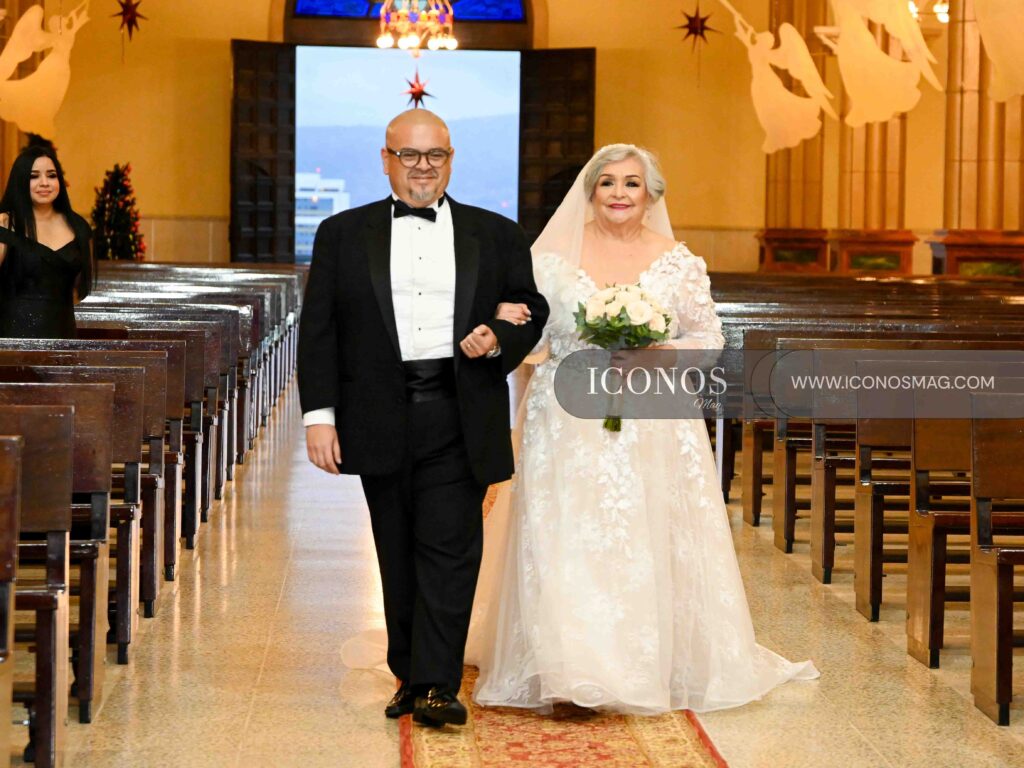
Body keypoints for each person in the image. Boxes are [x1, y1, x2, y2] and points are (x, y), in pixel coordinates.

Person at [469, 143, 819, 713]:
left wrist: (658, 351)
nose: (619, 194)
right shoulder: (550, 260)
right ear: (591, 191)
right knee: (565, 535)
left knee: (640, 534)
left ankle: (639, 660)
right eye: (607, 183)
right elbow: (532, 339)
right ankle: (567, 668)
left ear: (651, 194)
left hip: (652, 420)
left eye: (631, 183)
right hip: (564, 417)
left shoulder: (676, 260)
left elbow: (708, 341)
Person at [297, 109, 549, 727]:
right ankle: (409, 673)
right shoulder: (341, 234)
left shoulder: (496, 234)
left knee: (450, 546)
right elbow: (320, 333)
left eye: (434, 155)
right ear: (385, 159)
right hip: (376, 412)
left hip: (458, 409)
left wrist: (496, 337)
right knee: (396, 548)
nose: (422, 168)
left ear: (451, 159)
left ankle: (437, 683)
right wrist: (319, 417)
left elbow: (531, 308)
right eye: (409, 155)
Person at [0, 143, 93, 339]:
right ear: (20, 181)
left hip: (62, 333)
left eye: (52, 175)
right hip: (12, 337)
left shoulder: (78, 227)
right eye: (34, 176)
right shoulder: (5, 224)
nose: (45, 183)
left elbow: (78, 289)